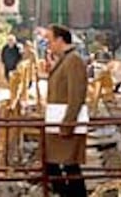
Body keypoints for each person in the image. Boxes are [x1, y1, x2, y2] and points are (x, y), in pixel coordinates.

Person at [45, 24, 87, 197]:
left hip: (65, 125)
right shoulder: (65, 59)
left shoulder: (73, 60)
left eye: (50, 40)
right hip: (57, 124)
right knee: (60, 167)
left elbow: (76, 95)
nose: (48, 44)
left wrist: (68, 124)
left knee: (68, 167)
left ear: (60, 40)